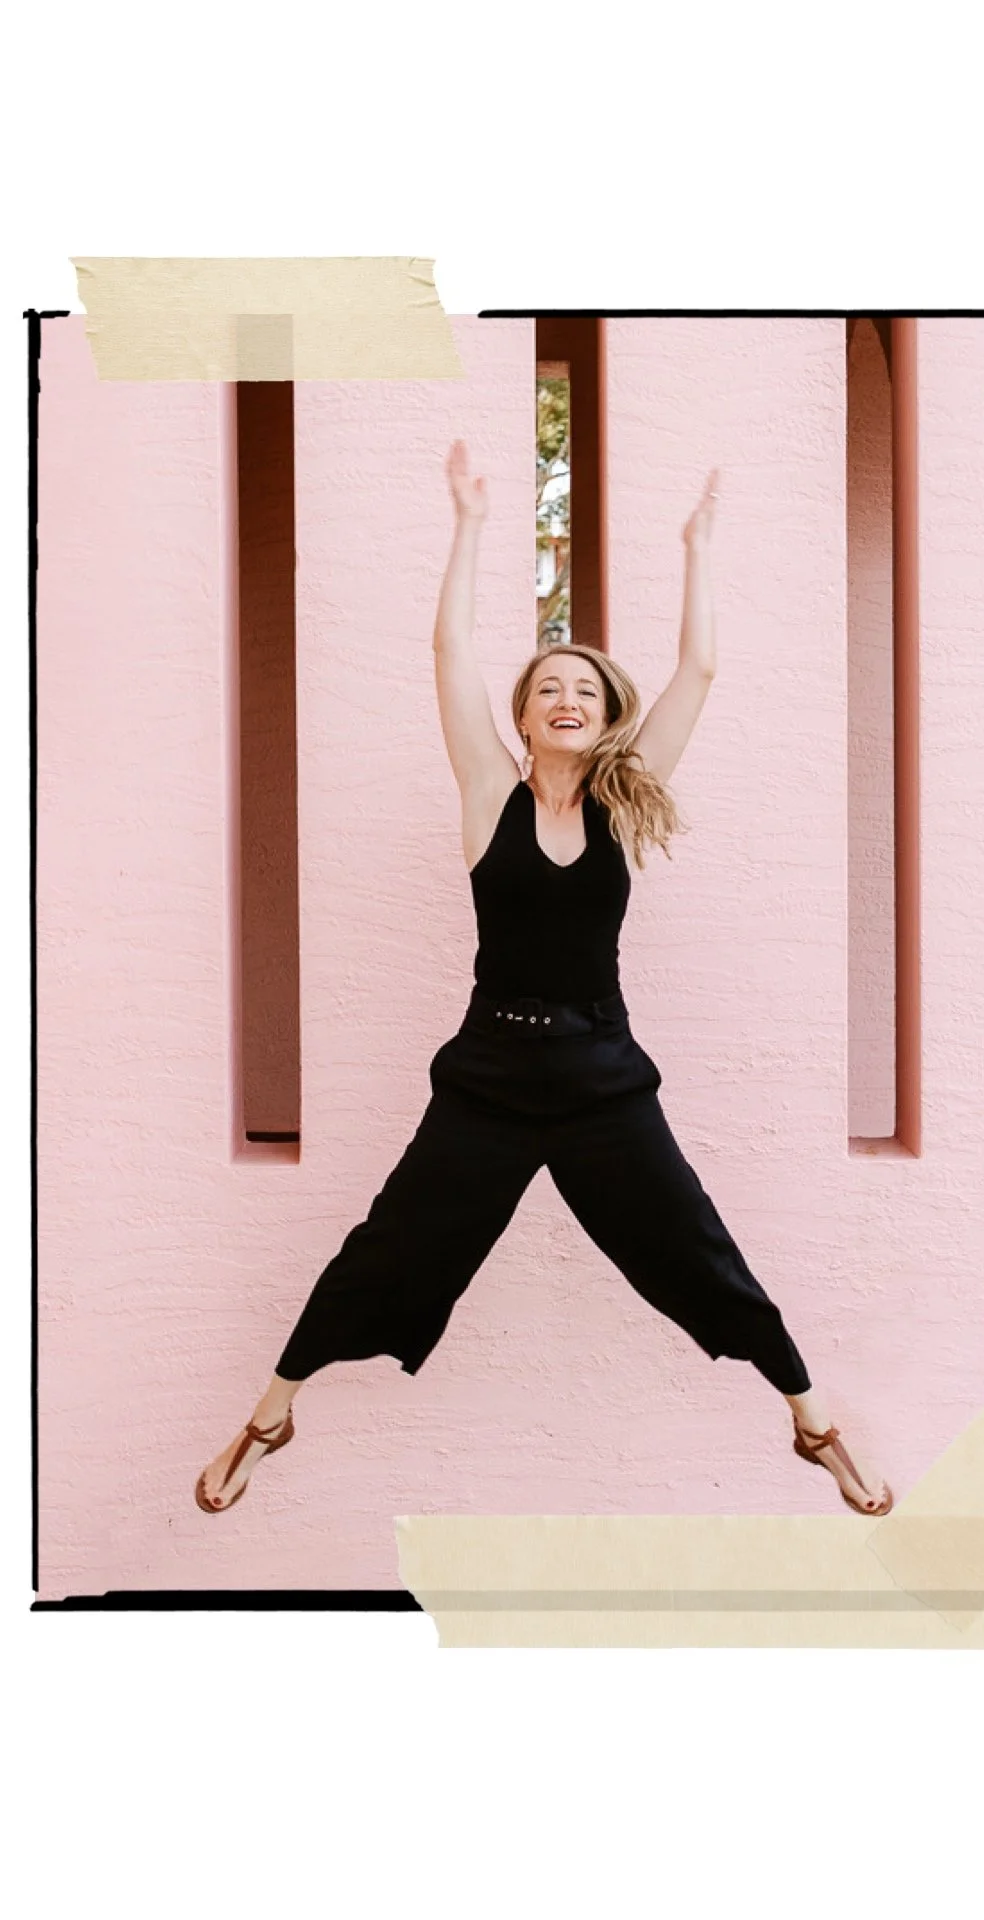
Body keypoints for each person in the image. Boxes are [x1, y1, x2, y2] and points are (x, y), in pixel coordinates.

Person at [196, 442, 893, 1519]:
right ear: (523, 718)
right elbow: (449, 652)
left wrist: (699, 549)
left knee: (695, 1247)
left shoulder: (620, 804)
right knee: (389, 1245)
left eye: (585, 689)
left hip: (604, 1075)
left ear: (609, 713)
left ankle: (813, 1422)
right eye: (547, 688)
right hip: (487, 1076)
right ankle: (272, 1412)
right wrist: (469, 526)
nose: (565, 697)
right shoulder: (489, 793)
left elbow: (699, 670)